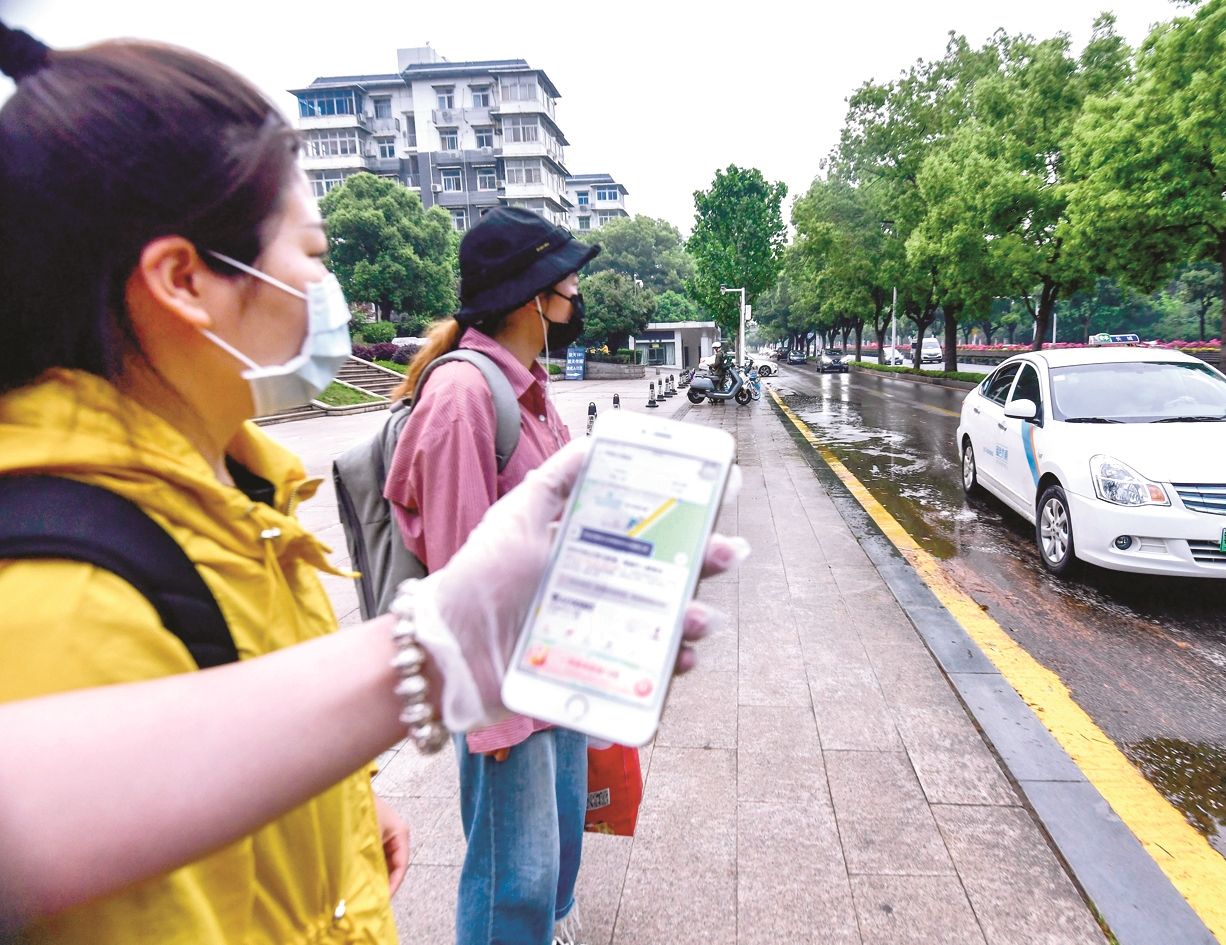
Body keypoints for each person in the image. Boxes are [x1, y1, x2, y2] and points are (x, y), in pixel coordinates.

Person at [0, 23, 744, 943]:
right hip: (507, 705)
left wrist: (344, 809)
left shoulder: (237, 493)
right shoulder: (63, 597)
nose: (327, 283)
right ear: (185, 279)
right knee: (511, 885)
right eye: (310, 252)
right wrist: (456, 654)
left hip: (521, 689)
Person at [385, 208, 596, 945]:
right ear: (530, 297)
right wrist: (491, 718)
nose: (576, 298)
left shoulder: (527, 387)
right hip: (503, 675)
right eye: (568, 285)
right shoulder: (463, 398)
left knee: (556, 849)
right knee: (515, 871)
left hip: (553, 657)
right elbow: (457, 570)